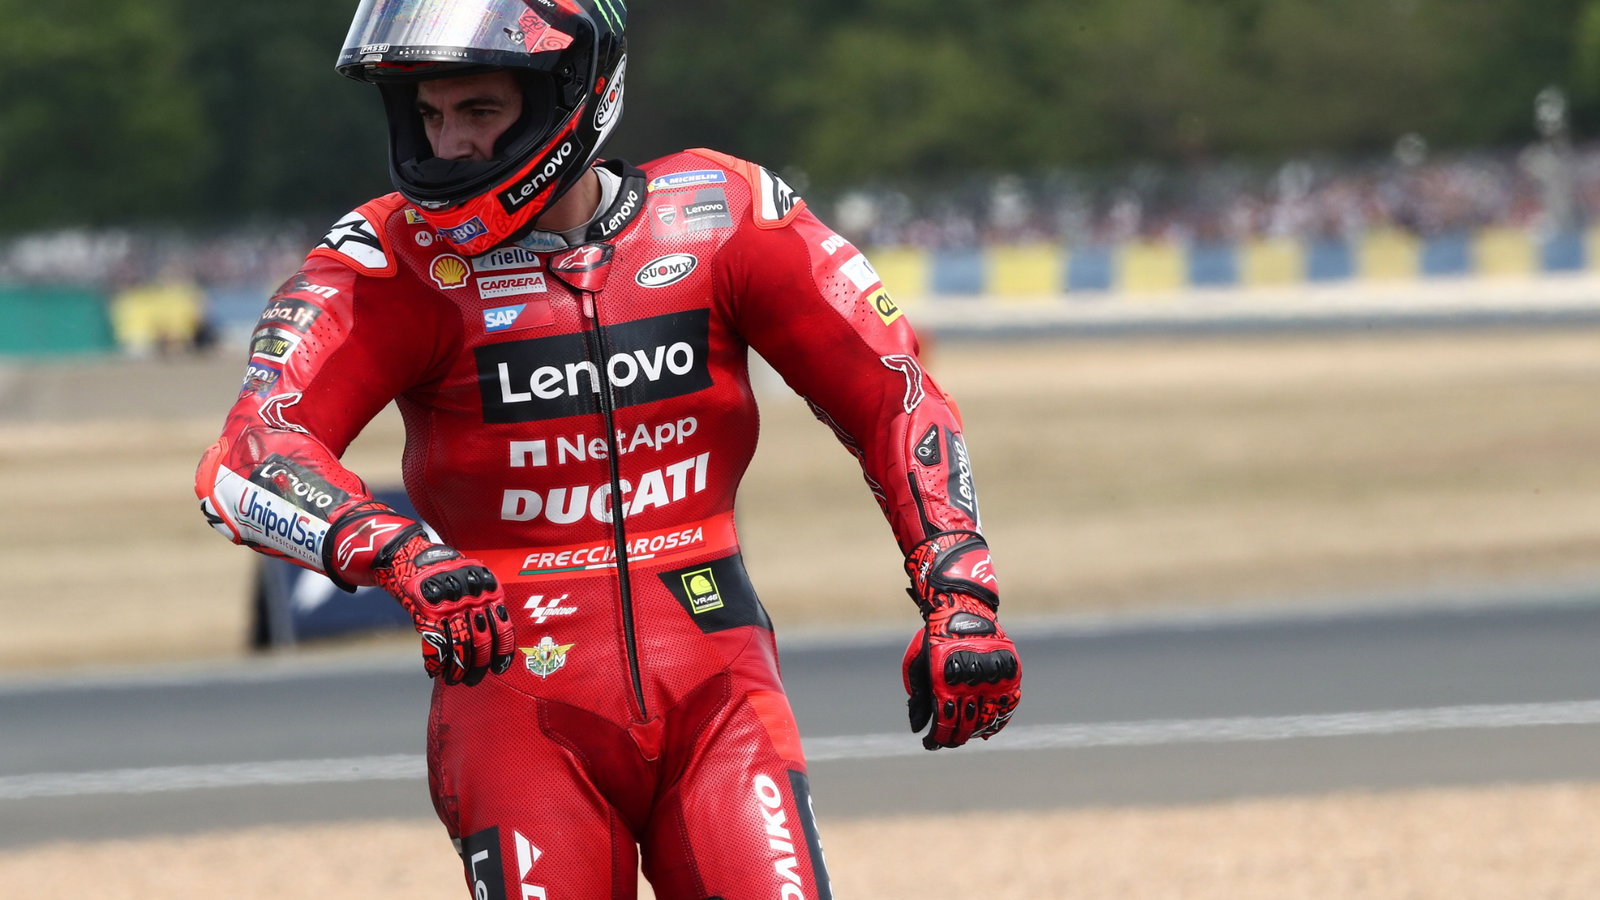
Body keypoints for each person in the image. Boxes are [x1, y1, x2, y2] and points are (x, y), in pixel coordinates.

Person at [194, 1, 1022, 897]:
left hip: (723, 695)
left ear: (570, 94)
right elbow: (245, 453)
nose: (449, 146)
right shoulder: (385, 259)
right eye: (429, 116)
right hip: (517, 716)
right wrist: (395, 552)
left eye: (479, 112)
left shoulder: (727, 212)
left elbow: (895, 392)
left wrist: (959, 590)